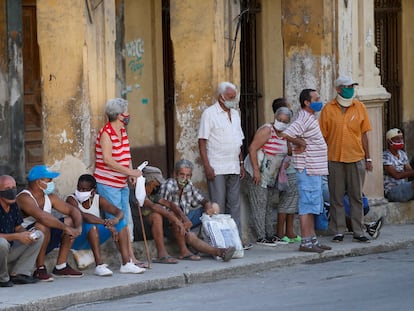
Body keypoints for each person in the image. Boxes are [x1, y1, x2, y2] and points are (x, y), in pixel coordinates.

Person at [129, 165, 235, 263]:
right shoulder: (138, 192)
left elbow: (170, 205)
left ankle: (186, 251)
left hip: (159, 227)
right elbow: (154, 207)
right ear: (149, 181)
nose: (157, 185)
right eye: (155, 183)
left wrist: (183, 218)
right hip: (139, 229)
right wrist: (176, 221)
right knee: (157, 216)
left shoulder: (154, 192)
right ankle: (161, 254)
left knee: (176, 216)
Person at [319, 75, 373, 243]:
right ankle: (338, 230)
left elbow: (364, 135)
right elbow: (322, 136)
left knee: (356, 196)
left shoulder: (360, 107)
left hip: (356, 157)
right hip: (334, 158)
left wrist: (368, 157)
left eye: (352, 86)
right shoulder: (328, 109)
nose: (350, 89)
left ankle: (359, 230)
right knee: (336, 196)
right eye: (347, 86)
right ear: (338, 89)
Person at [94, 98, 145, 266]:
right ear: (118, 115)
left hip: (121, 183)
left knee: (126, 220)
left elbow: (126, 155)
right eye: (126, 113)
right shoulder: (106, 133)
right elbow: (108, 160)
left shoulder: (122, 131)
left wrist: (130, 173)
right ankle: (128, 259)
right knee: (117, 221)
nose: (128, 115)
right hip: (108, 184)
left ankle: (130, 258)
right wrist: (130, 172)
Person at [281, 88, 331, 253]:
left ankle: (312, 240)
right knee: (307, 206)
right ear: (307, 102)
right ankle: (306, 242)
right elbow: (286, 133)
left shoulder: (310, 117)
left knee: (313, 206)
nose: (319, 101)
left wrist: (301, 142)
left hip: (314, 169)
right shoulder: (303, 118)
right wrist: (300, 143)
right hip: (307, 169)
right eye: (316, 99)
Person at [66, 174, 145, 275]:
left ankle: (127, 263)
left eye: (85, 189)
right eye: (79, 188)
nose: (81, 192)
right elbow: (83, 216)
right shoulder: (71, 199)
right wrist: (106, 223)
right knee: (92, 226)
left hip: (95, 237)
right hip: (77, 238)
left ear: (93, 191)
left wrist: (115, 220)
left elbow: (119, 212)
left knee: (121, 223)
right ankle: (99, 265)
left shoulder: (98, 199)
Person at [16, 165, 83, 281]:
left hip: (45, 239)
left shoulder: (50, 197)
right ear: (38, 182)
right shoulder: (24, 197)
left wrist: (78, 227)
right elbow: (42, 217)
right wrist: (66, 228)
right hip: (26, 241)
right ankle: (40, 269)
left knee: (70, 220)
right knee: (43, 225)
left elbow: (73, 210)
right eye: (49, 180)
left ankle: (61, 266)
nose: (52, 183)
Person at [198, 82, 245, 241]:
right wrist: (207, 165)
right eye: (231, 97)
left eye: (234, 97)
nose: (234, 100)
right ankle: (219, 241)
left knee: (235, 206)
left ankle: (236, 240)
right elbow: (202, 141)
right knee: (218, 206)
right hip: (216, 166)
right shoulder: (209, 114)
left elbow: (239, 140)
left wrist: (241, 163)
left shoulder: (236, 114)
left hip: (233, 165)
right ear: (221, 97)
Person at [244, 107, 292, 246]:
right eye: (280, 120)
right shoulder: (266, 130)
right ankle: (261, 236)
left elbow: (288, 152)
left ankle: (270, 234)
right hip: (257, 171)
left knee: (269, 204)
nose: (281, 123)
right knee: (259, 203)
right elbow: (252, 148)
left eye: (285, 121)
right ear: (275, 118)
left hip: (272, 175)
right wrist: (256, 171)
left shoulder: (285, 134)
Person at [0, 175, 43, 287]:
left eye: (13, 188)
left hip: (9, 250)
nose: (12, 191)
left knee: (38, 235)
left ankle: (20, 274)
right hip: (2, 247)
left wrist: (27, 234)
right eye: (7, 189)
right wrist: (17, 237)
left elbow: (18, 227)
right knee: (1, 243)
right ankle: (2, 278)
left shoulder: (13, 205)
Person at [383, 128, 414, 202]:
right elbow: (397, 175)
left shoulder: (402, 154)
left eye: (401, 138)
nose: (400, 141)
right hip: (392, 191)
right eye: (397, 139)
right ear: (389, 141)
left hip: (404, 188)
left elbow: (410, 171)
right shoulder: (385, 156)